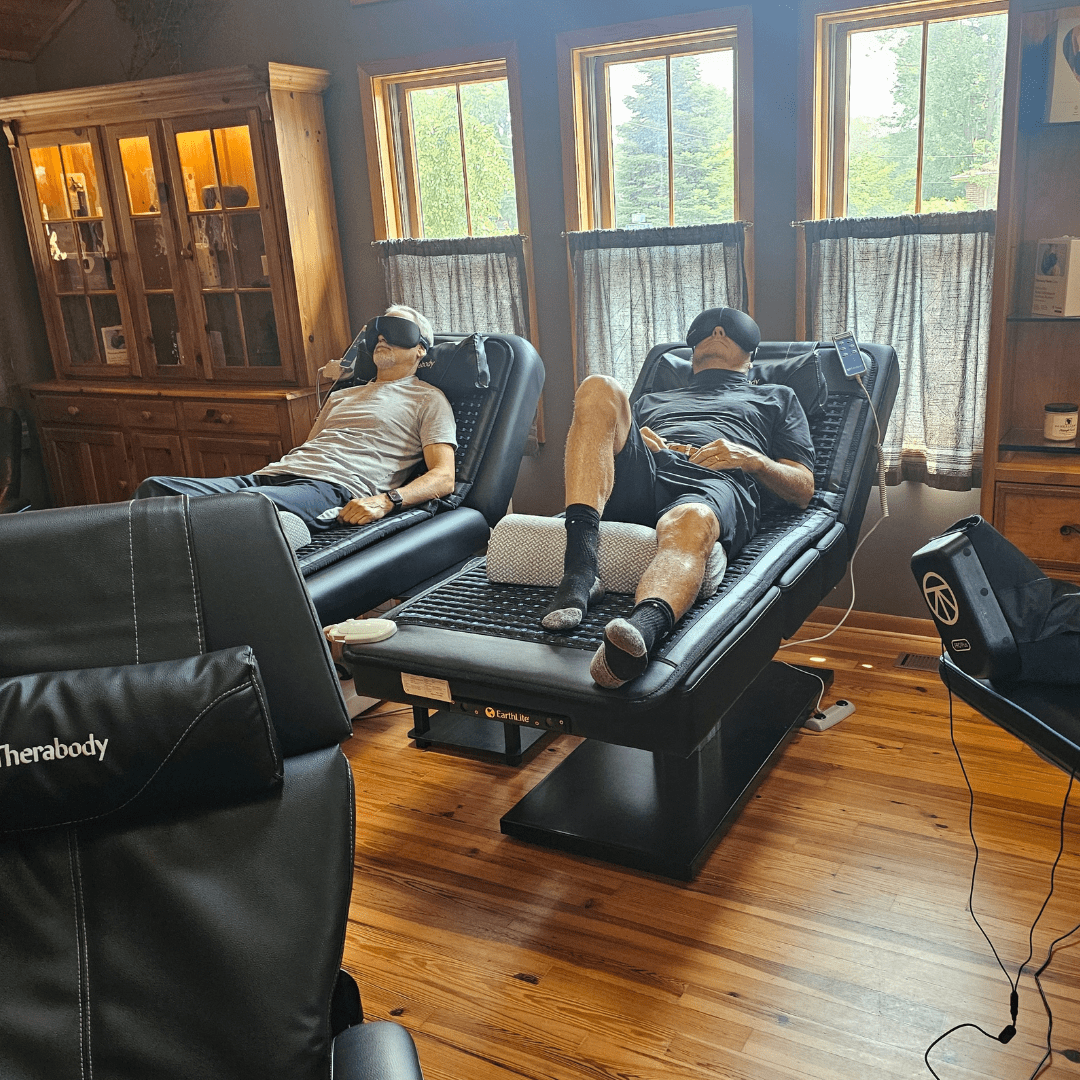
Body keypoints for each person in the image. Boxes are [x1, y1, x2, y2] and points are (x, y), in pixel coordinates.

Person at [543, 307, 815, 689]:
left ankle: (642, 632)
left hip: (715, 479)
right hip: (648, 469)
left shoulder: (777, 397)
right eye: (708, 329)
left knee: (691, 521)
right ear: (690, 352)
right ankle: (580, 571)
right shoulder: (654, 399)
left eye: (729, 330)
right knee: (598, 387)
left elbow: (804, 488)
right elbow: (604, 442)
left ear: (751, 355)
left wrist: (753, 460)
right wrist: (638, 435)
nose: (718, 331)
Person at [133, 305, 457, 550]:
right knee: (156, 491)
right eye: (378, 331)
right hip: (275, 476)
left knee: (238, 509)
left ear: (420, 349)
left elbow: (444, 477)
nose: (382, 337)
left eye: (396, 329)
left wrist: (386, 501)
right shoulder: (342, 396)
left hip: (333, 487)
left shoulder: (428, 399)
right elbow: (310, 448)